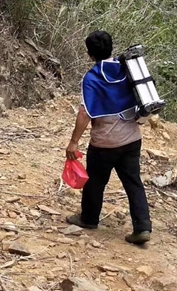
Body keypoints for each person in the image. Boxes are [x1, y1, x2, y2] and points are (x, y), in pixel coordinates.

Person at [65, 30, 151, 245]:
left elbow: (85, 112)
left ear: (89, 54)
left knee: (95, 181)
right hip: (132, 139)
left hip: (104, 142)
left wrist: (74, 142)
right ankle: (142, 227)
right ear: (112, 47)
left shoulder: (92, 77)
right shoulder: (128, 68)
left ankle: (89, 219)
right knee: (133, 182)